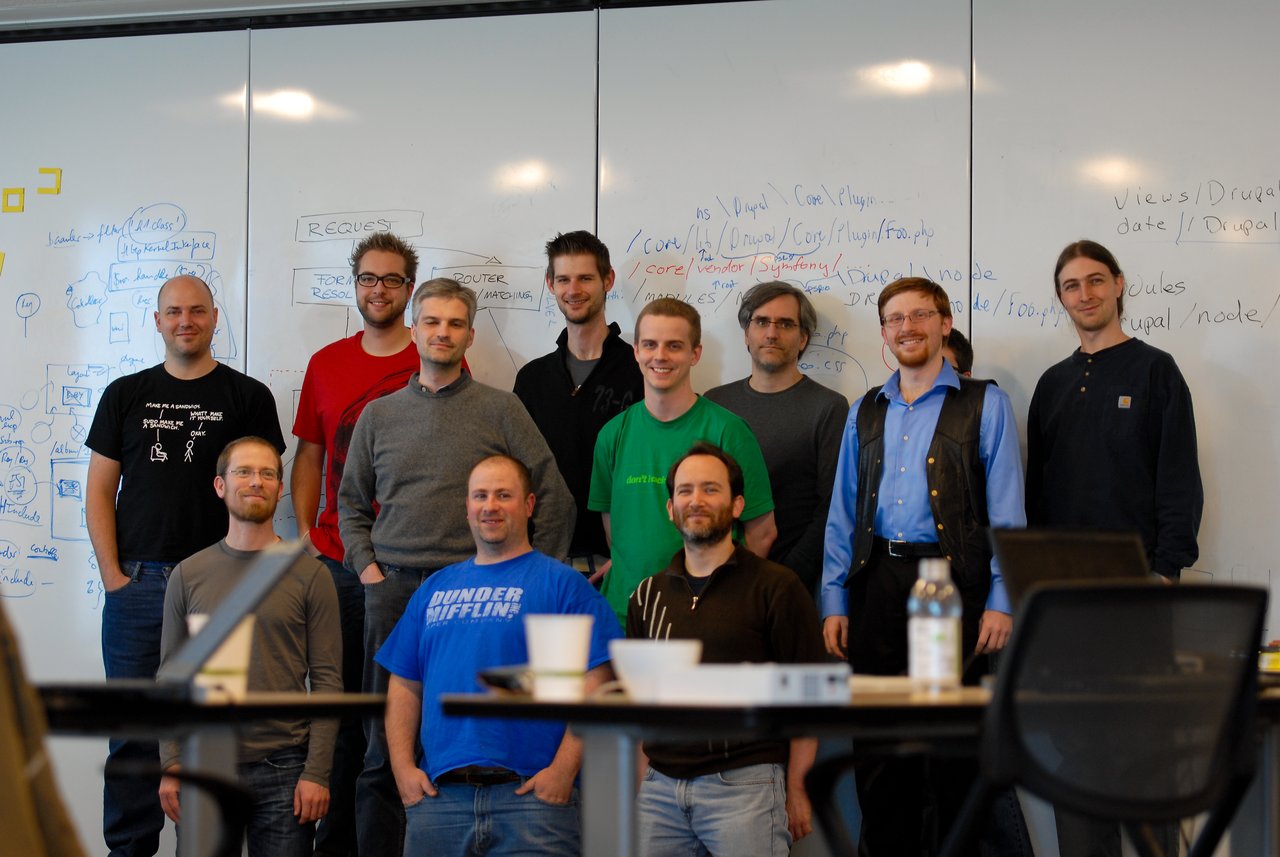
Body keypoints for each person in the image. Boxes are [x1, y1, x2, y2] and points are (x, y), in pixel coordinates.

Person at [339, 278, 574, 857]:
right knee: (381, 751)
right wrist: (369, 571)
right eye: (432, 322)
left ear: (469, 334)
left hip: (476, 599)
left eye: (454, 323)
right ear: (414, 330)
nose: (442, 332)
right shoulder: (378, 416)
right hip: (394, 593)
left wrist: (527, 579)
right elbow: (347, 504)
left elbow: (554, 497)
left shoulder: (501, 408)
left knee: (472, 741)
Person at [820, 277, 1024, 855]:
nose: (907, 327)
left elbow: (1007, 515)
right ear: (883, 333)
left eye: (920, 315)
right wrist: (833, 598)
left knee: (949, 755)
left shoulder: (986, 404)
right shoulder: (864, 410)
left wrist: (1001, 600)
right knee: (879, 757)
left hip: (947, 588)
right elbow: (843, 515)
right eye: (894, 318)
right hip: (877, 587)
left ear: (944, 324)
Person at [85, 274, 285, 857]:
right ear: (157, 320)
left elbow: (259, 491)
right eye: (173, 312)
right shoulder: (124, 394)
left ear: (215, 317)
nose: (185, 321)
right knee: (132, 738)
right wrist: (113, 580)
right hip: (140, 587)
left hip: (220, 589)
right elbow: (99, 491)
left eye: (197, 311)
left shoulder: (248, 397)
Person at [1027, 240, 1202, 857]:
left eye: (1096, 280)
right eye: (1072, 285)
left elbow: (1179, 483)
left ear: (1120, 284)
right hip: (1066, 610)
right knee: (1078, 770)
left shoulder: (1156, 370)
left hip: (1139, 601)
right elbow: (1037, 499)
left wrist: (1165, 575)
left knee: (1145, 765)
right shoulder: (1051, 385)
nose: (1086, 294)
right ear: (1061, 297)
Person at [377, 455, 619, 856]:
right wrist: (402, 768)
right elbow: (404, 682)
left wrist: (563, 771)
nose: (490, 506)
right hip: (440, 802)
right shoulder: (435, 589)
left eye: (504, 495)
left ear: (528, 505)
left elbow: (598, 683)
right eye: (481, 496)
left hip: (531, 801)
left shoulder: (562, 586)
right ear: (468, 508)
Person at [291, 231, 424, 857]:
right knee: (340, 714)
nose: (378, 289)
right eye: (368, 278)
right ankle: (333, 843)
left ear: (409, 289)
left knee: (395, 718)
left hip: (407, 568)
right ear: (356, 283)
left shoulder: (434, 357)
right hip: (338, 564)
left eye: (392, 279)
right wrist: (309, 543)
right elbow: (309, 458)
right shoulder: (325, 363)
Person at [627, 442, 824, 856]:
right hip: (660, 792)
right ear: (670, 508)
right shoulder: (646, 596)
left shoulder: (777, 587)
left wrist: (798, 789)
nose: (695, 500)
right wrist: (642, 782)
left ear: (737, 506)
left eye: (710, 489)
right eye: (685, 491)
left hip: (746, 786)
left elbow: (811, 698)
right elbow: (639, 706)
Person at [157, 436, 341, 857]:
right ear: (220, 486)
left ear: (280, 489)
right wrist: (170, 763)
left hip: (286, 771)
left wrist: (317, 772)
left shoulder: (311, 576)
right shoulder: (188, 575)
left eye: (267, 474)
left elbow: (329, 683)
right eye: (244, 472)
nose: (255, 482)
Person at [588, 298, 776, 624]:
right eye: (650, 344)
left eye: (674, 346)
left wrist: (724, 601)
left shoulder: (728, 432)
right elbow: (615, 534)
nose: (660, 356)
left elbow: (762, 533)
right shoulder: (612, 435)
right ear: (636, 351)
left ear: (695, 354)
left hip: (705, 616)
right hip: (623, 616)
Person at [514, 230, 643, 579]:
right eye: (564, 279)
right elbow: (518, 473)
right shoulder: (531, 379)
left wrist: (631, 551)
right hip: (543, 560)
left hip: (624, 560)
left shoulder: (642, 371)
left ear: (608, 279)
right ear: (550, 283)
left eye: (585, 278)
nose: (574, 290)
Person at [705, 281, 847, 593]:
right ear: (746, 334)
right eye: (761, 322)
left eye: (785, 324)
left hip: (793, 582)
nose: (772, 333)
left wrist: (787, 576)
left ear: (803, 338)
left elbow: (832, 508)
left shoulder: (829, 408)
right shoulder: (715, 403)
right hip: (717, 576)